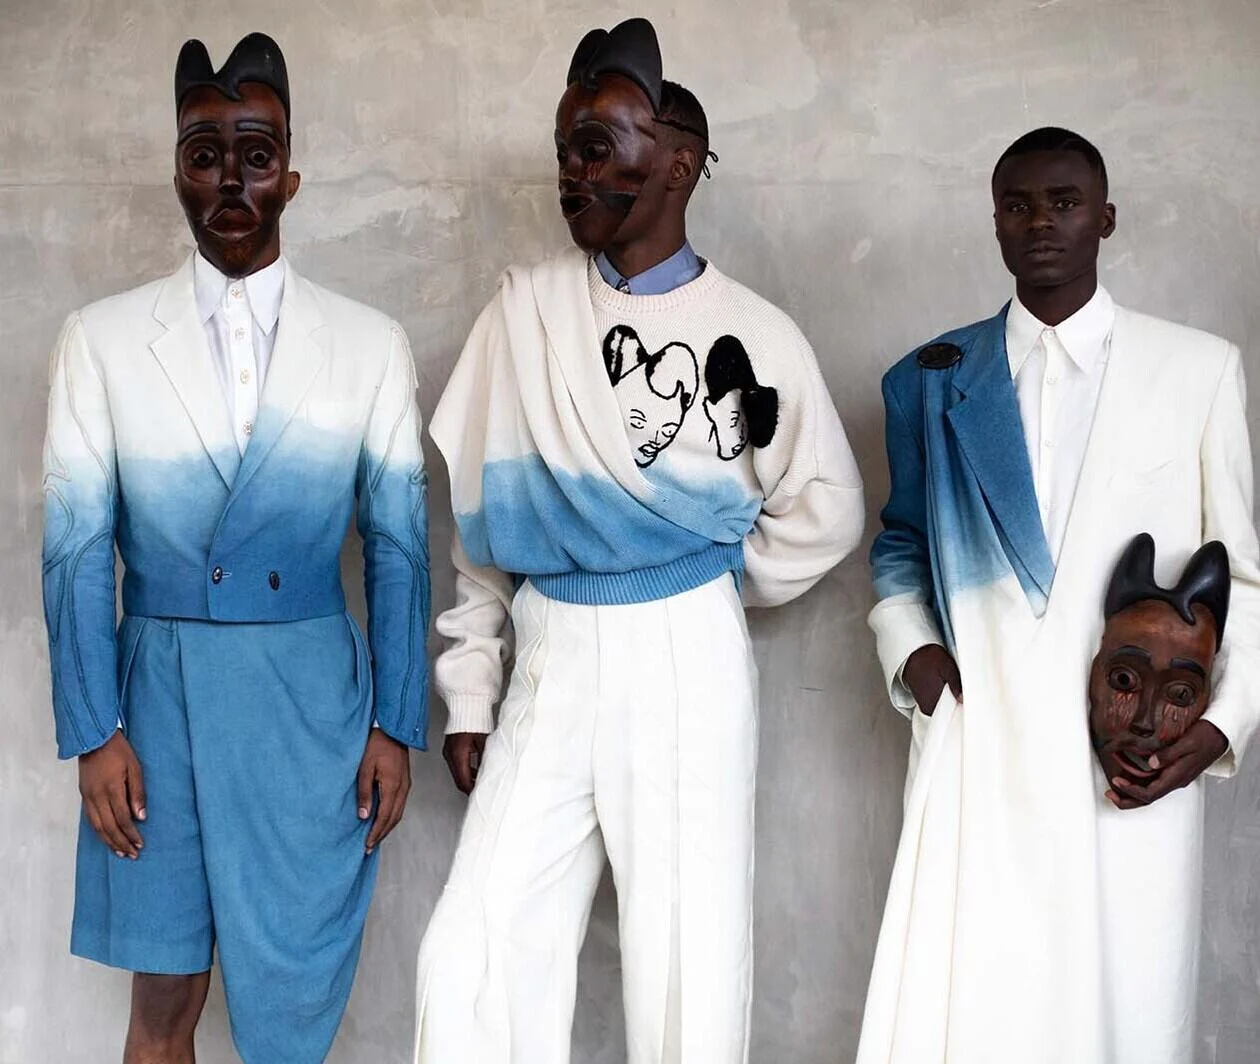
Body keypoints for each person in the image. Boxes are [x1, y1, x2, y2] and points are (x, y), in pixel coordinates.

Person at [413, 17, 864, 1063]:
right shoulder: (519, 318)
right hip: (550, 655)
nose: (572, 173)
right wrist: (471, 691)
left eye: (598, 147)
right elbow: (483, 536)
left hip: (685, 659)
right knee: (473, 951)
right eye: (564, 149)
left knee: (687, 965)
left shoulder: (755, 335)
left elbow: (827, 508)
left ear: (677, 161)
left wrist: (699, 583)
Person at [40, 33, 429, 1063]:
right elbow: (75, 548)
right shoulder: (103, 338)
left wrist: (397, 720)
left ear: (291, 172)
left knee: (291, 1006)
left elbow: (398, 543)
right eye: (204, 152)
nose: (230, 178)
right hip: (152, 705)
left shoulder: (368, 343)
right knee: (162, 1000)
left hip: (309, 701)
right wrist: (92, 731)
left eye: (255, 153)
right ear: (177, 169)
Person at [859, 126, 1260, 1063]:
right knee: (974, 1010)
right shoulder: (928, 378)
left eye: (1065, 202)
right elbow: (902, 546)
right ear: (993, 223)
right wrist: (916, 661)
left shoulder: (1197, 369)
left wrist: (1212, 734)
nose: (1041, 222)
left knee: (1127, 1007)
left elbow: (1242, 575)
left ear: (1106, 217)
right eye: (1018, 204)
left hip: (1132, 761)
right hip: (981, 745)